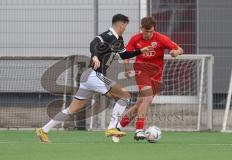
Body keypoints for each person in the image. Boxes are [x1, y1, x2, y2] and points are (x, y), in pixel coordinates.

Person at [36, 14, 152, 143]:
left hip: (89, 77)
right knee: (125, 95)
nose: (125, 28)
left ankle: (43, 130)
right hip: (94, 75)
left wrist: (140, 51)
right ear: (121, 25)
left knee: (72, 109)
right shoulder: (107, 35)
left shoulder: (119, 39)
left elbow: (124, 55)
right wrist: (95, 57)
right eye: (125, 26)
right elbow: (94, 43)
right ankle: (112, 128)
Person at [106, 16, 184, 142]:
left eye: (150, 31)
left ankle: (118, 128)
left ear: (154, 29)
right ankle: (139, 130)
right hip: (141, 71)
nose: (148, 34)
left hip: (156, 75)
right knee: (147, 98)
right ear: (141, 28)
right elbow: (126, 55)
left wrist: (176, 53)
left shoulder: (161, 38)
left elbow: (179, 49)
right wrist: (126, 67)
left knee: (139, 104)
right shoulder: (135, 39)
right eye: (145, 31)